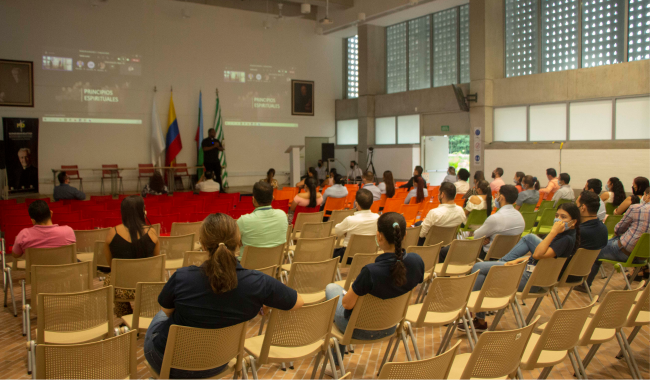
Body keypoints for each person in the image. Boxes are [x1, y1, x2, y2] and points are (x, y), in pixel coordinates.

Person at [144, 213, 304, 379]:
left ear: (203, 245)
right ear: (238, 243)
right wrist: (264, 302)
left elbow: (166, 311)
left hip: (168, 362)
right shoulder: (259, 283)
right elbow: (298, 301)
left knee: (161, 315)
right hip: (218, 363)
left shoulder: (182, 277)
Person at [325, 212, 424, 373]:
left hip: (358, 329)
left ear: (379, 237)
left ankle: (335, 363)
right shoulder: (416, 261)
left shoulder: (371, 272)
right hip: (392, 325)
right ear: (405, 234)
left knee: (332, 289)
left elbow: (347, 304)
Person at [461, 203, 580, 331]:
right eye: (557, 216)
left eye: (563, 217)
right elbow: (542, 258)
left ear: (573, 222)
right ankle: (477, 318)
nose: (558, 220)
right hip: (532, 273)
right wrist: (519, 259)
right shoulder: (565, 236)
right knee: (485, 271)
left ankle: (472, 314)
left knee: (479, 267)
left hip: (531, 280)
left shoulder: (565, 239)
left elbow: (539, 254)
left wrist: (552, 232)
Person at [103, 196, 161, 317]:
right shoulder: (152, 233)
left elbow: (112, 266)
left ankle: (125, 314)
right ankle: (144, 312)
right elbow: (156, 264)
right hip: (146, 288)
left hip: (121, 289)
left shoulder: (113, 233)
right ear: (143, 211)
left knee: (110, 279)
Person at [584, 187, 650, 288]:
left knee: (596, 250)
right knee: (612, 241)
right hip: (644, 257)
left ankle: (585, 285)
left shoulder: (636, 208)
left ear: (648, 196)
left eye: (644, 195)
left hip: (625, 252)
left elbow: (618, 229)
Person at [567, 192, 608, 291]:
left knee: (529, 239)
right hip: (584, 274)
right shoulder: (603, 228)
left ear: (583, 207)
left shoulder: (578, 231)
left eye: (576, 206)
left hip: (564, 273)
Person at [237, 181, 288, 259]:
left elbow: (234, 243)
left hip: (247, 269)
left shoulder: (243, 221)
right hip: (274, 267)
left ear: (253, 199)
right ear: (272, 198)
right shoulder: (283, 215)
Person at [11, 200, 76, 257]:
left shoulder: (24, 235)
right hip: (64, 270)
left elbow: (16, 255)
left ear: (33, 221)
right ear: (51, 214)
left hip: (37, 270)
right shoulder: (68, 231)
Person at [333, 189, 379, 262]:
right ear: (372, 203)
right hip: (369, 254)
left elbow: (337, 232)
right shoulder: (378, 218)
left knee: (329, 253)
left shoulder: (350, 220)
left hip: (348, 257)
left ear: (356, 204)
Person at [201, 128, 225, 192]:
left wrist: (217, 146)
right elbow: (204, 149)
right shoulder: (205, 141)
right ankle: (210, 189)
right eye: (213, 132)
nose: (214, 133)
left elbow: (221, 149)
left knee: (218, 175)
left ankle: (220, 189)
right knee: (209, 176)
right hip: (208, 162)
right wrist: (214, 146)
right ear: (209, 133)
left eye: (215, 132)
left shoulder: (216, 141)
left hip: (216, 161)